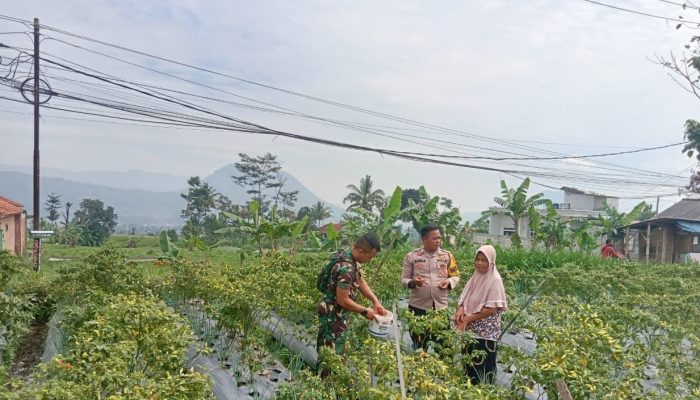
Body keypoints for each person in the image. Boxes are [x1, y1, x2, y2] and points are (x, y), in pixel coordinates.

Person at [316, 233, 388, 372]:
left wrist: (375, 301)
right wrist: (364, 310)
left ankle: (327, 381)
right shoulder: (346, 268)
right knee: (332, 353)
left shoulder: (347, 257)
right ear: (361, 251)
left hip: (334, 311)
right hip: (333, 314)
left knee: (330, 348)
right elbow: (343, 300)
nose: (370, 260)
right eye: (370, 257)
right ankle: (326, 384)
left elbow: (360, 281)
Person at [454, 245, 508, 385]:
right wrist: (461, 310)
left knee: (482, 367)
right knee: (469, 366)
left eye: (484, 260)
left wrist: (467, 318)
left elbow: (491, 309)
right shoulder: (476, 277)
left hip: (485, 334)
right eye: (477, 259)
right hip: (471, 330)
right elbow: (465, 297)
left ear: (491, 262)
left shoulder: (495, 280)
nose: (480, 263)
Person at [401, 224, 460, 350]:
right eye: (434, 238)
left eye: (439, 238)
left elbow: (456, 276)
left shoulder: (447, 256)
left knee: (443, 346)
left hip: (440, 308)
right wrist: (413, 282)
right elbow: (404, 279)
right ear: (424, 239)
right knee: (419, 345)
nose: (438, 241)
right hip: (418, 308)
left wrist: (449, 282)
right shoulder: (412, 256)